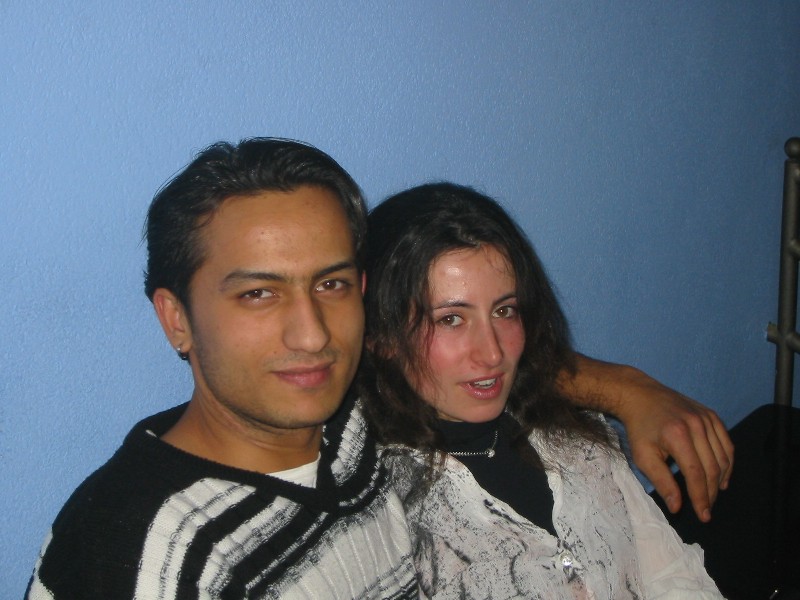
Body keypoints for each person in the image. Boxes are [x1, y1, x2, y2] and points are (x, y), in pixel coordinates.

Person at [26, 138, 730, 599]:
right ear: (176, 318)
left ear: (366, 302)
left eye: (330, 284)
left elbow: (492, 370)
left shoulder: (344, 432)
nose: (312, 334)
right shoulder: (146, 556)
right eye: (259, 294)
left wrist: (631, 389)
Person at [360, 182, 724, 598]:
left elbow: (672, 576)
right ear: (382, 337)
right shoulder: (383, 512)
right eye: (451, 319)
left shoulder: (574, 438)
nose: (493, 352)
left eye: (504, 311)